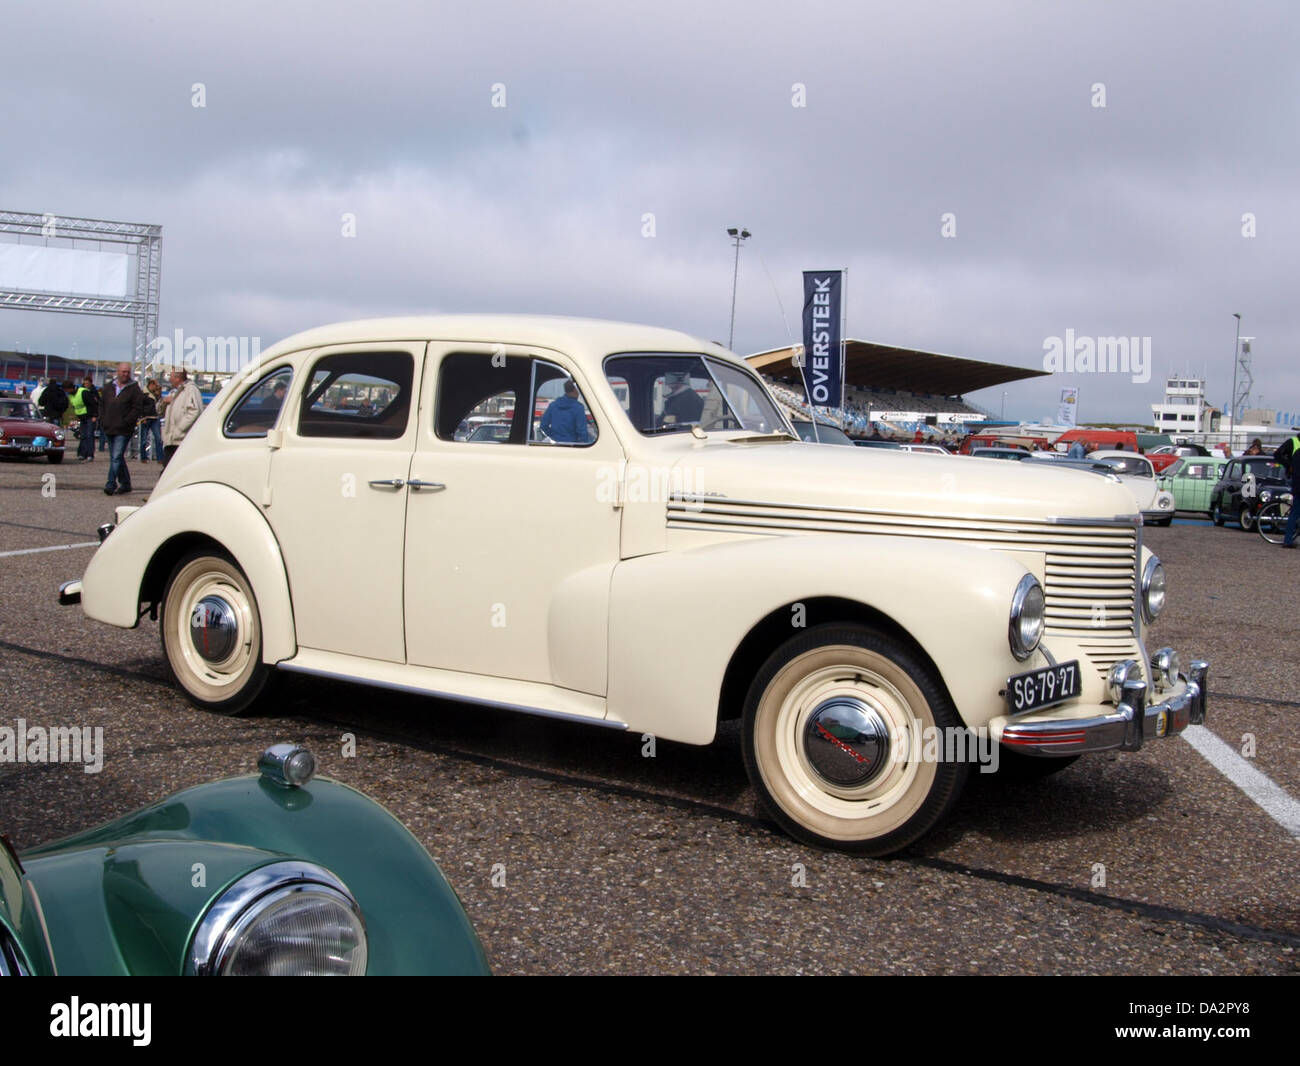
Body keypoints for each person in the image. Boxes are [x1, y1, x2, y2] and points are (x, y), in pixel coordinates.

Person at [99, 362, 145, 495]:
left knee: (116, 456)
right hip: (109, 426)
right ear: (117, 372)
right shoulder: (109, 387)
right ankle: (125, 484)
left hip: (124, 429)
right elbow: (102, 405)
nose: (125, 374)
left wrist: (126, 421)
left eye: (127, 372)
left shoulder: (134, 388)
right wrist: (103, 419)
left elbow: (137, 408)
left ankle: (110, 483)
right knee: (116, 457)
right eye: (123, 371)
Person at [162, 368, 203, 467]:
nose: (169, 379)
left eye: (171, 376)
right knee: (168, 470)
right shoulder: (174, 392)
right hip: (171, 439)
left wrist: (179, 429)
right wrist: (164, 402)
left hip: (181, 439)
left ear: (177, 378)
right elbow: (159, 411)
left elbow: (194, 411)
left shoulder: (190, 390)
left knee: (171, 471)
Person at [1272, 432, 1300, 548]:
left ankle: (1288, 539)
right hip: (1296, 481)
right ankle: (1288, 540)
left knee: (1295, 512)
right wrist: (1288, 465)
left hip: (1296, 482)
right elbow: (1277, 454)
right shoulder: (1293, 442)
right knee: (1295, 513)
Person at [138, 379, 164, 461]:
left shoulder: (155, 394)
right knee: (144, 439)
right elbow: (140, 406)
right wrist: (142, 417)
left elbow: (160, 404)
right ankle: (143, 457)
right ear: (151, 385)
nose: (156, 388)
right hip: (146, 418)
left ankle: (160, 458)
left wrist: (159, 394)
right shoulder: (144, 394)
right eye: (155, 386)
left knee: (158, 438)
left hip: (155, 417)